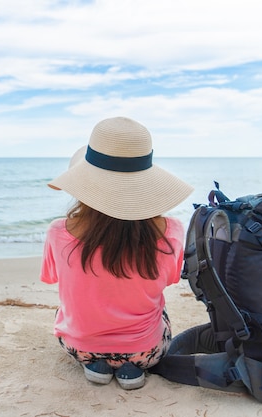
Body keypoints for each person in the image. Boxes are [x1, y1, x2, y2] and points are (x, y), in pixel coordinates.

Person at [40, 116, 194, 390]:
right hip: (146, 351)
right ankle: (130, 370)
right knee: (157, 307)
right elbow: (169, 280)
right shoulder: (171, 231)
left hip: (80, 347)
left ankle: (94, 365)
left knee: (67, 308)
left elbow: (56, 280)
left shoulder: (58, 232)